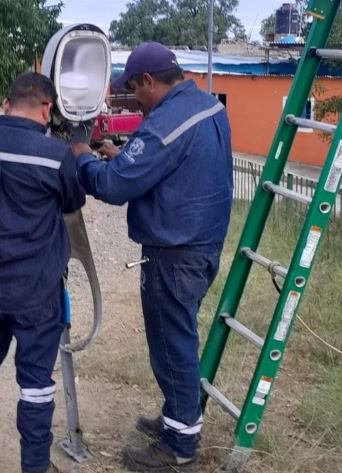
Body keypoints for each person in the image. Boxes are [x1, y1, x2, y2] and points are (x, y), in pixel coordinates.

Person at [71, 42, 233, 472]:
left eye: (133, 88)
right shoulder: (207, 105)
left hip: (174, 253)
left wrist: (83, 158)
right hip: (202, 244)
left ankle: (178, 446)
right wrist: (125, 157)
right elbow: (176, 167)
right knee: (178, 337)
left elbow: (114, 187)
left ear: (148, 81)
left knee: (171, 343)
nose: (133, 97)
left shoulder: (162, 125)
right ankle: (177, 416)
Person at [0, 72, 86, 473]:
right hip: (36, 294)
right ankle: (35, 466)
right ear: (47, 109)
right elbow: (72, 201)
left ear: (6, 103)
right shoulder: (55, 155)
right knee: (35, 384)